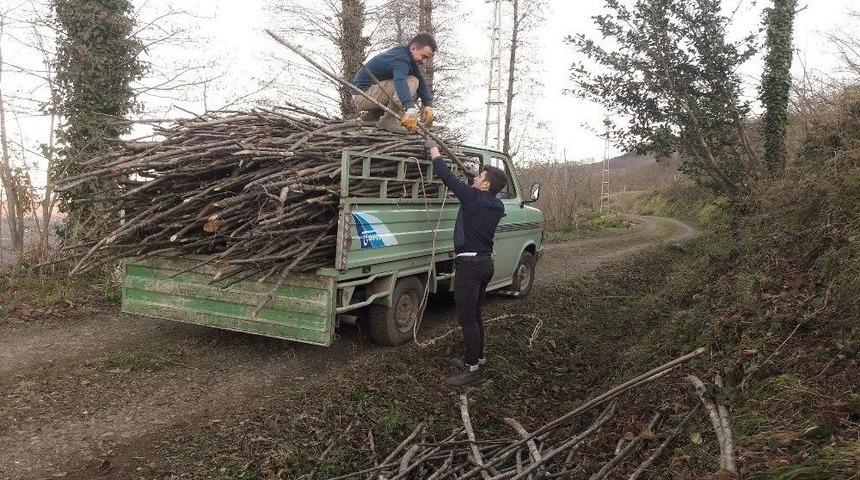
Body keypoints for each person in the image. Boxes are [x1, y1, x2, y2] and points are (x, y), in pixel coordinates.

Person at [424, 138, 507, 387]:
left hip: (470, 267)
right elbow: (478, 191)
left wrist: (434, 151)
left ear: (486, 184)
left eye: (480, 176)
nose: (475, 178)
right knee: (476, 315)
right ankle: (478, 359)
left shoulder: (472, 198)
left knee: (467, 318)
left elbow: (446, 177)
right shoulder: (496, 204)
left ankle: (472, 370)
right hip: (484, 264)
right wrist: (474, 176)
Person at [352, 33, 436, 134]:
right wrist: (410, 107)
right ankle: (389, 120)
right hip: (363, 95)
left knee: (417, 86)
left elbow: (421, 81)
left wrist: (428, 105)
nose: (424, 62)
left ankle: (374, 116)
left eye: (427, 59)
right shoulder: (400, 59)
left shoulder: (407, 57)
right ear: (413, 48)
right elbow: (400, 81)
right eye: (424, 56)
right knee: (412, 81)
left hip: (366, 94)